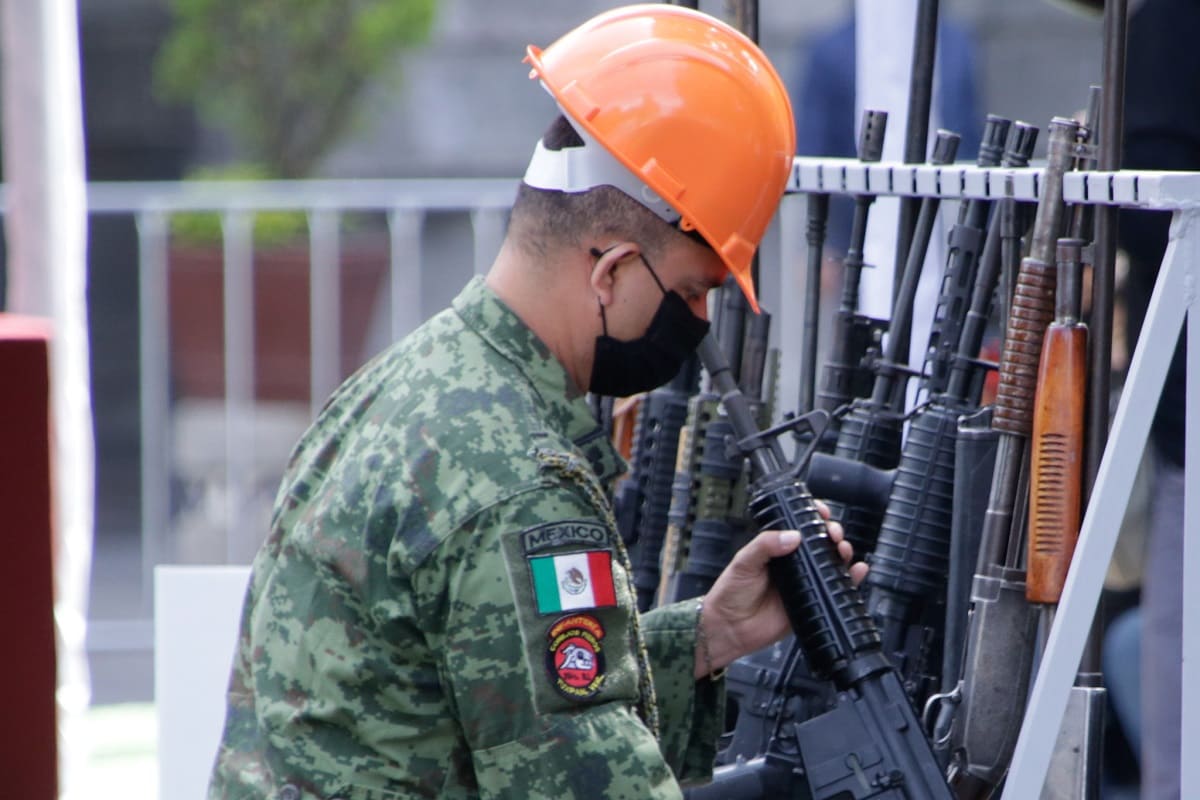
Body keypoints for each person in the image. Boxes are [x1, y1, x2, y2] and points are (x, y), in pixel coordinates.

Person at [208, 6, 865, 799]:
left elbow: (482, 678)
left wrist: (708, 635)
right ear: (612, 271)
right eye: (693, 292)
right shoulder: (521, 483)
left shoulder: (407, 383)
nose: (696, 322)